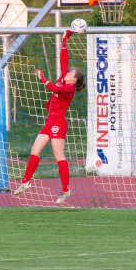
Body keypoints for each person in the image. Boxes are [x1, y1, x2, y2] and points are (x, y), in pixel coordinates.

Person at [14, 29, 86, 203]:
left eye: (71, 74)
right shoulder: (63, 77)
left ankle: (66, 190)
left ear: (74, 80)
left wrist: (43, 79)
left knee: (58, 156)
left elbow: (56, 89)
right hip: (50, 122)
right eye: (69, 72)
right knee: (35, 150)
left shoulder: (69, 88)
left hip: (58, 123)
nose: (68, 73)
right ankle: (25, 182)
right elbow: (63, 59)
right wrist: (64, 39)